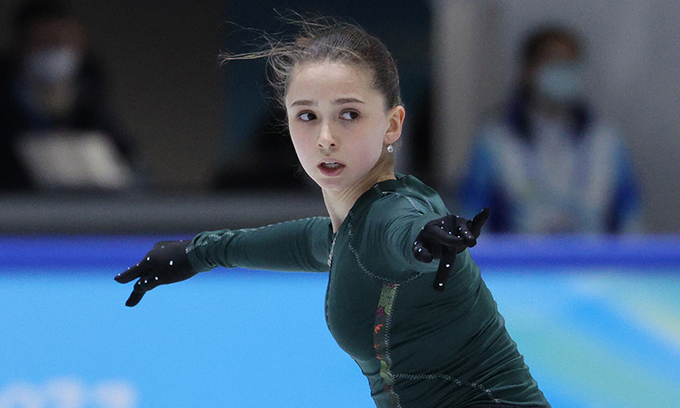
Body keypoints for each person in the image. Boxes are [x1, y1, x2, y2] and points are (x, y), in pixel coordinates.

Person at [115, 17, 550, 408]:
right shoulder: (350, 230)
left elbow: (399, 233)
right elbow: (309, 242)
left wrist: (424, 241)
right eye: (307, 116)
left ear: (392, 124)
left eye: (349, 114)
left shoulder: (392, 212)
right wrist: (196, 253)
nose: (325, 137)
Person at [459, 26, 641, 233]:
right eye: (553, 61)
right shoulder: (495, 141)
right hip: (521, 253)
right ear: (527, 70)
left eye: (570, 64)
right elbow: (472, 218)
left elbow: (630, 219)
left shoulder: (606, 140)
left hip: (593, 252)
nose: (562, 71)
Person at [0, 0, 138, 191]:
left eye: (65, 43)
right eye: (45, 43)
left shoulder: (91, 100)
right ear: (21, 47)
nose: (56, 52)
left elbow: (130, 165)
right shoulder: (7, 103)